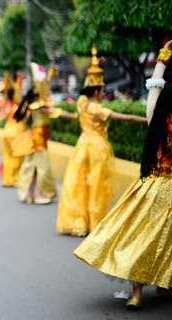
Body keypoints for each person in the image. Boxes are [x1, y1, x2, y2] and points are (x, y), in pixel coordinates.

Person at [73, 40, 172, 310]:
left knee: (160, 238)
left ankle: (161, 285)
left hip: (151, 180)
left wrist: (162, 61)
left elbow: (154, 95)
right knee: (148, 236)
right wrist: (161, 61)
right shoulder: (162, 116)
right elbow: (154, 97)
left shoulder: (159, 114)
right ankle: (140, 290)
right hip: (158, 185)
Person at [56, 47, 146, 237]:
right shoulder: (97, 109)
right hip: (97, 150)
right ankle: (95, 224)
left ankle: (79, 222)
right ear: (96, 91)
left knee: (79, 184)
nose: (103, 92)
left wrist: (94, 67)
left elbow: (85, 86)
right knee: (96, 186)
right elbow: (125, 118)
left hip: (82, 148)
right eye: (102, 89)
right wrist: (148, 119)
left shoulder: (81, 102)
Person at [12, 63, 75, 204]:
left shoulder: (40, 100)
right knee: (42, 168)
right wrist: (73, 116)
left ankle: (31, 195)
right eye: (45, 88)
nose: (48, 89)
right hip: (38, 140)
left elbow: (45, 83)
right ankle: (41, 194)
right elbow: (54, 112)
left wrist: (52, 72)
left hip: (39, 138)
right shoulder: (38, 105)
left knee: (33, 167)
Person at [0, 73, 25, 187]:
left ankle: (7, 179)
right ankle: (14, 179)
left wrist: (19, 80)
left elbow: (16, 90)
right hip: (15, 134)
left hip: (7, 132)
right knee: (16, 157)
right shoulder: (17, 107)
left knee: (8, 156)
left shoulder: (10, 105)